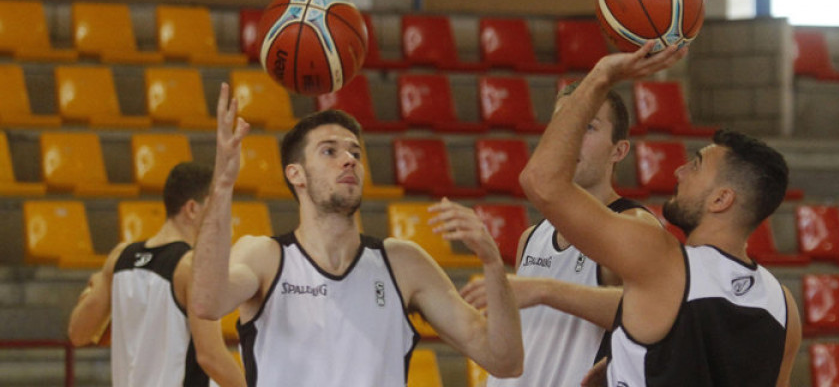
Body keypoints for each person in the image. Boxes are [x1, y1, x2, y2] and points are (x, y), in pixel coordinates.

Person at [190, 83, 523, 387]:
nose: (349, 160)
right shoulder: (265, 257)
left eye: (355, 153)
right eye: (329, 151)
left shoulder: (403, 263)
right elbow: (206, 301)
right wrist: (222, 185)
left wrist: (492, 262)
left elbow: (505, 360)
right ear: (296, 174)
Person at [519, 41, 802, 387]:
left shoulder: (659, 258)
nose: (680, 172)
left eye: (695, 167)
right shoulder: (783, 306)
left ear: (721, 199)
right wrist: (624, 359)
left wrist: (602, 76)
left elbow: (541, 181)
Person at [460, 83, 662, 387]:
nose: (569, 138)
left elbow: (656, 313)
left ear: (618, 150)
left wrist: (545, 290)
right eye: (562, 125)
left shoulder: (634, 224)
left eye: (587, 126)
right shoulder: (532, 237)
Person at [68, 162, 246, 387]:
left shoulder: (119, 258)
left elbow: (78, 333)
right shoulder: (192, 267)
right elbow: (211, 357)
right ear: (192, 209)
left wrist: (90, 294)